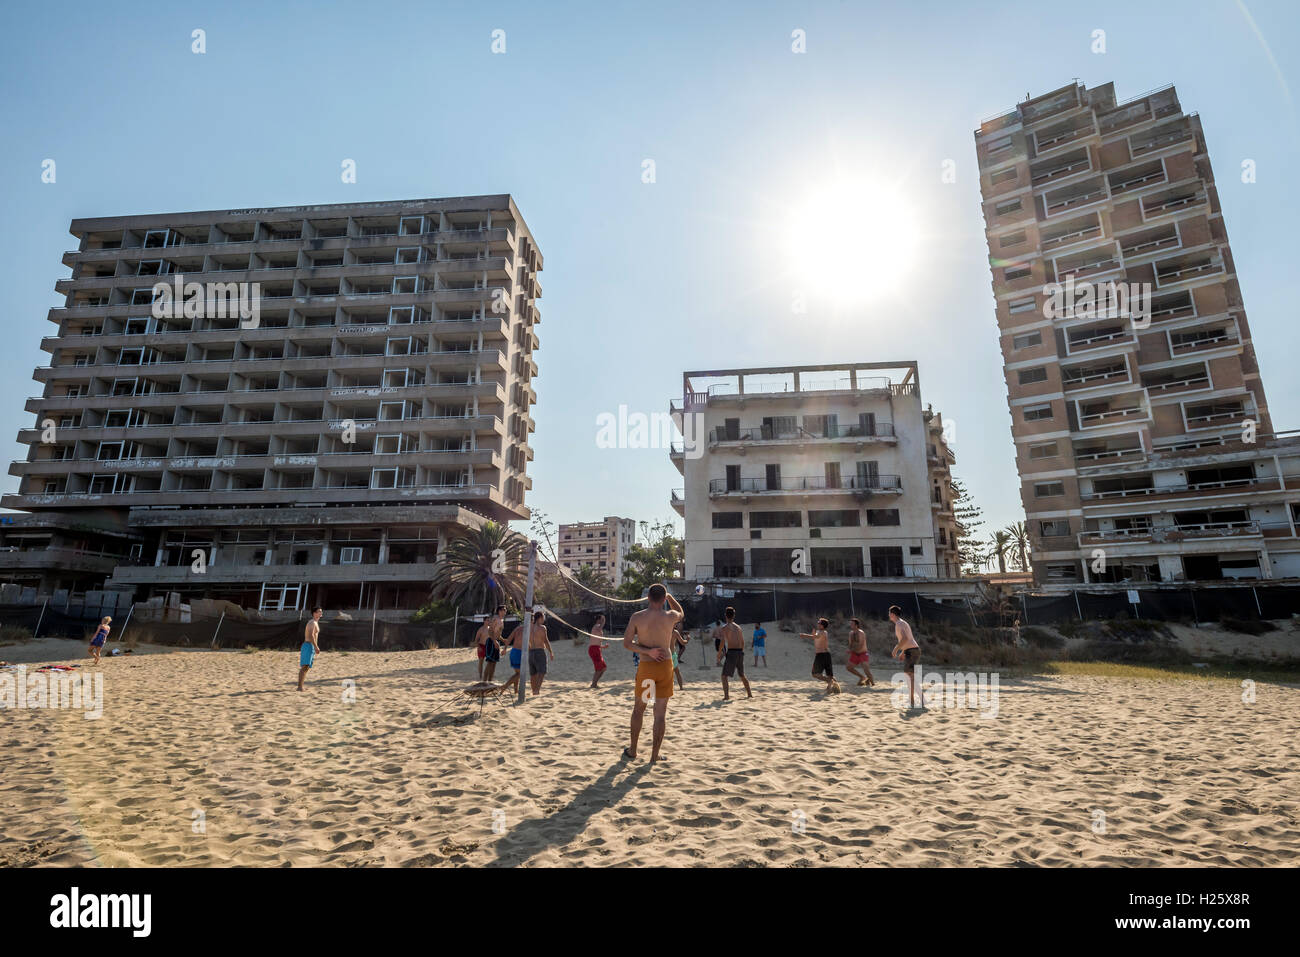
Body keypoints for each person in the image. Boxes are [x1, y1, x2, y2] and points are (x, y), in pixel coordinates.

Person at [622, 583, 682, 763]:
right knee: (660, 714)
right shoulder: (670, 616)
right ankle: (654, 756)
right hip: (665, 668)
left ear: (648, 597)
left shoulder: (638, 617)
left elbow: (627, 643)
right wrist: (670, 597)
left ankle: (633, 751)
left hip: (648, 667)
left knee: (639, 710)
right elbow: (681, 612)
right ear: (663, 599)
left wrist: (648, 651)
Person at [503, 610, 553, 696]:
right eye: (543, 618)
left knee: (532, 673)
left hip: (529, 652)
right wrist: (551, 652)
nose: (544, 619)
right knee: (541, 672)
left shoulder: (526, 628)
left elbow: (515, 639)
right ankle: (536, 690)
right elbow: (546, 641)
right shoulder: (542, 628)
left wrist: (505, 649)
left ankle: (531, 691)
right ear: (539, 618)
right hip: (538, 651)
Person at [713, 606, 753, 700]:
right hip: (740, 652)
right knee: (742, 675)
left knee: (724, 676)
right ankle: (749, 694)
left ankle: (726, 696)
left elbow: (722, 642)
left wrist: (719, 654)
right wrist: (741, 652)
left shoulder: (725, 627)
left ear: (725, 616)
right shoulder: (738, 627)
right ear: (734, 616)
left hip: (732, 652)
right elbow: (742, 642)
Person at [889, 605, 923, 708]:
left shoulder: (899, 624)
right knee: (910, 676)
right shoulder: (902, 623)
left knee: (909, 676)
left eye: (889, 613)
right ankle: (919, 699)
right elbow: (908, 639)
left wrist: (896, 649)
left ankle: (912, 701)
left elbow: (904, 639)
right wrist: (903, 652)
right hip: (912, 650)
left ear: (893, 614)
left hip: (912, 651)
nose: (888, 615)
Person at [799, 617, 841, 694]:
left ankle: (830, 683)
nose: (817, 623)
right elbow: (815, 636)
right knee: (826, 675)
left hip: (823, 655)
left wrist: (805, 635)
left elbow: (815, 636)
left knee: (815, 674)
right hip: (823, 655)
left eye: (819, 623)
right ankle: (831, 686)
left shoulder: (823, 632)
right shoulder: (819, 631)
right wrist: (812, 634)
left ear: (822, 625)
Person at [845, 617, 875, 687]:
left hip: (863, 653)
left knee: (866, 669)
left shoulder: (861, 633)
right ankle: (862, 677)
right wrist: (849, 649)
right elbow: (850, 644)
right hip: (855, 653)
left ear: (856, 625)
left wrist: (851, 650)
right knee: (848, 667)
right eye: (850, 624)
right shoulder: (851, 633)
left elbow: (860, 645)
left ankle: (872, 683)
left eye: (852, 624)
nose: (850, 625)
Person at [298, 607, 322, 691]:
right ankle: (299, 687)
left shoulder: (315, 622)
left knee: (307, 667)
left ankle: (301, 686)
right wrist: (316, 646)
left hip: (310, 646)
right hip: (308, 645)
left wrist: (314, 646)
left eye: (321, 611)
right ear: (314, 613)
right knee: (305, 667)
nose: (321, 613)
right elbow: (311, 635)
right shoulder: (312, 622)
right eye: (319, 611)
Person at [482, 605, 505, 682]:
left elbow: (498, 633)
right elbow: (490, 631)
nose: (503, 612)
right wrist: (494, 641)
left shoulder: (501, 621)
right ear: (498, 611)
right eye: (502, 610)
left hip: (496, 641)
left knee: (494, 663)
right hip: (491, 641)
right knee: (490, 662)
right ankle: (484, 682)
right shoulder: (495, 619)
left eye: (504, 610)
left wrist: (503, 640)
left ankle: (490, 681)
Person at [589, 612, 610, 688]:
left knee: (603, 668)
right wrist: (604, 621)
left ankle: (595, 683)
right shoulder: (597, 626)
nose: (603, 620)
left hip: (597, 648)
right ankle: (593, 684)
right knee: (599, 669)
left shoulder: (598, 627)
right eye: (601, 619)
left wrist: (604, 647)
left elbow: (597, 642)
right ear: (598, 620)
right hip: (594, 649)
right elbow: (600, 628)